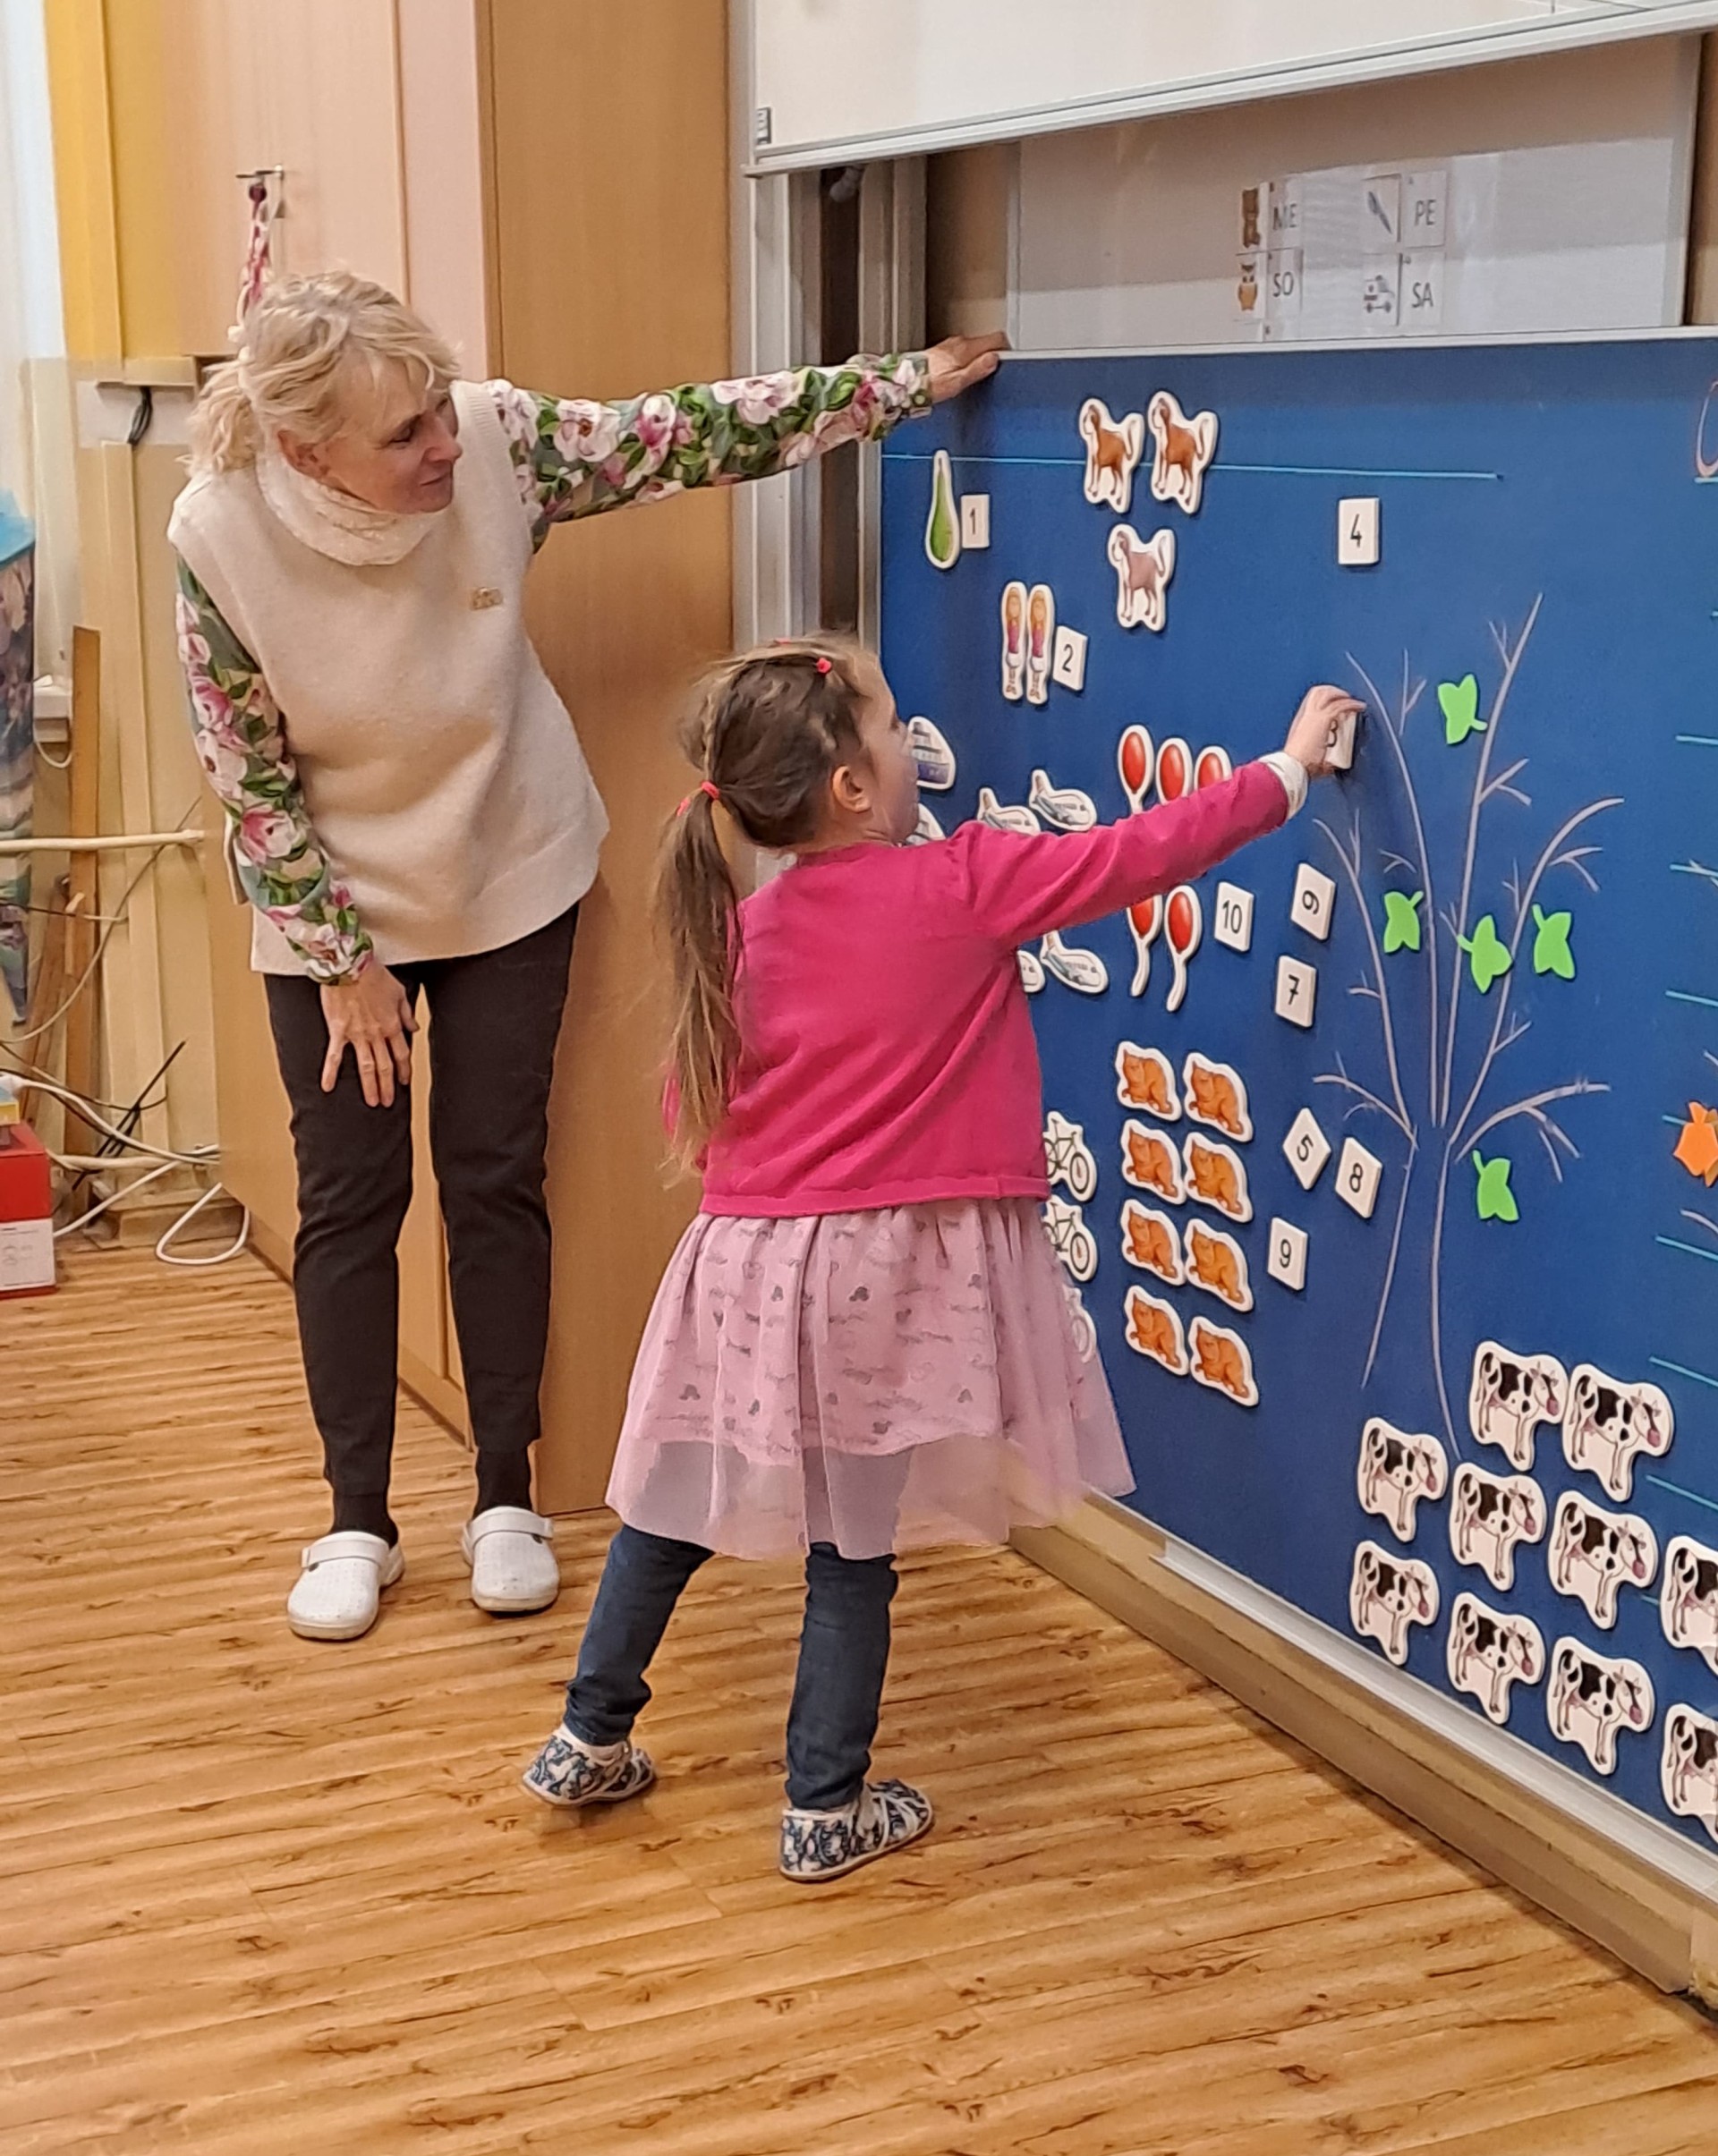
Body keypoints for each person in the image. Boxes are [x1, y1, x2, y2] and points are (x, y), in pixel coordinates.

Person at [168, 269, 1005, 1642]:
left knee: (495, 1178)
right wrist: (342, 963)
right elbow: (248, 776)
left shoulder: (495, 441)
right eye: (405, 434)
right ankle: (355, 1521)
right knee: (350, 1200)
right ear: (310, 454)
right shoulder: (222, 534)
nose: (443, 444)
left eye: (440, 408)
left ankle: (506, 1498)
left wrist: (899, 386)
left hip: (511, 868)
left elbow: (691, 433)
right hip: (334, 907)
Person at [523, 639, 1361, 1880]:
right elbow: (1133, 856)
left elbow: (691, 1109)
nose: (912, 739)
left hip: (744, 1276)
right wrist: (1285, 774)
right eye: (893, 724)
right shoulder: (961, 882)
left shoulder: (738, 929)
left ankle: (586, 1736)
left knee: (666, 1505)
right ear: (853, 786)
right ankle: (823, 1806)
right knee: (852, 1549)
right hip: (883, 1283)